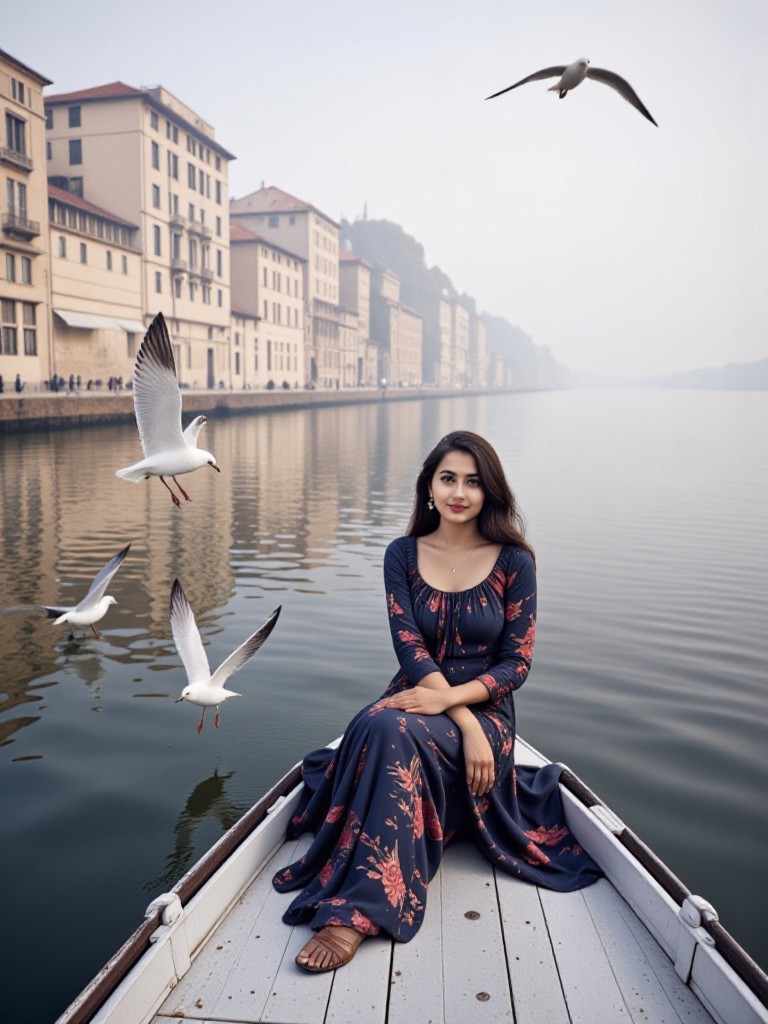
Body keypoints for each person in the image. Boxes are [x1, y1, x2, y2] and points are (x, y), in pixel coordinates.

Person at [273, 431, 601, 972]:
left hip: (487, 709)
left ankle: (359, 911)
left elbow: (516, 664)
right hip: (418, 689)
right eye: (448, 479)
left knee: (391, 730)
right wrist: (456, 717)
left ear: (489, 492)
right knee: (375, 723)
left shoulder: (514, 562)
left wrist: (469, 719)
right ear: (429, 486)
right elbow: (409, 646)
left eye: (473, 482)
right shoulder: (401, 555)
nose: (459, 493)